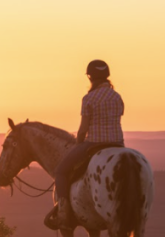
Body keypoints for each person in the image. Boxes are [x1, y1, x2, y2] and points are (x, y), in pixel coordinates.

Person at [52, 59, 125, 227]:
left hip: (93, 144)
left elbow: (83, 129)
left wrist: (78, 143)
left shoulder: (89, 98)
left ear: (90, 77)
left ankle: (63, 211)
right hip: (118, 145)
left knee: (61, 172)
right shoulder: (117, 97)